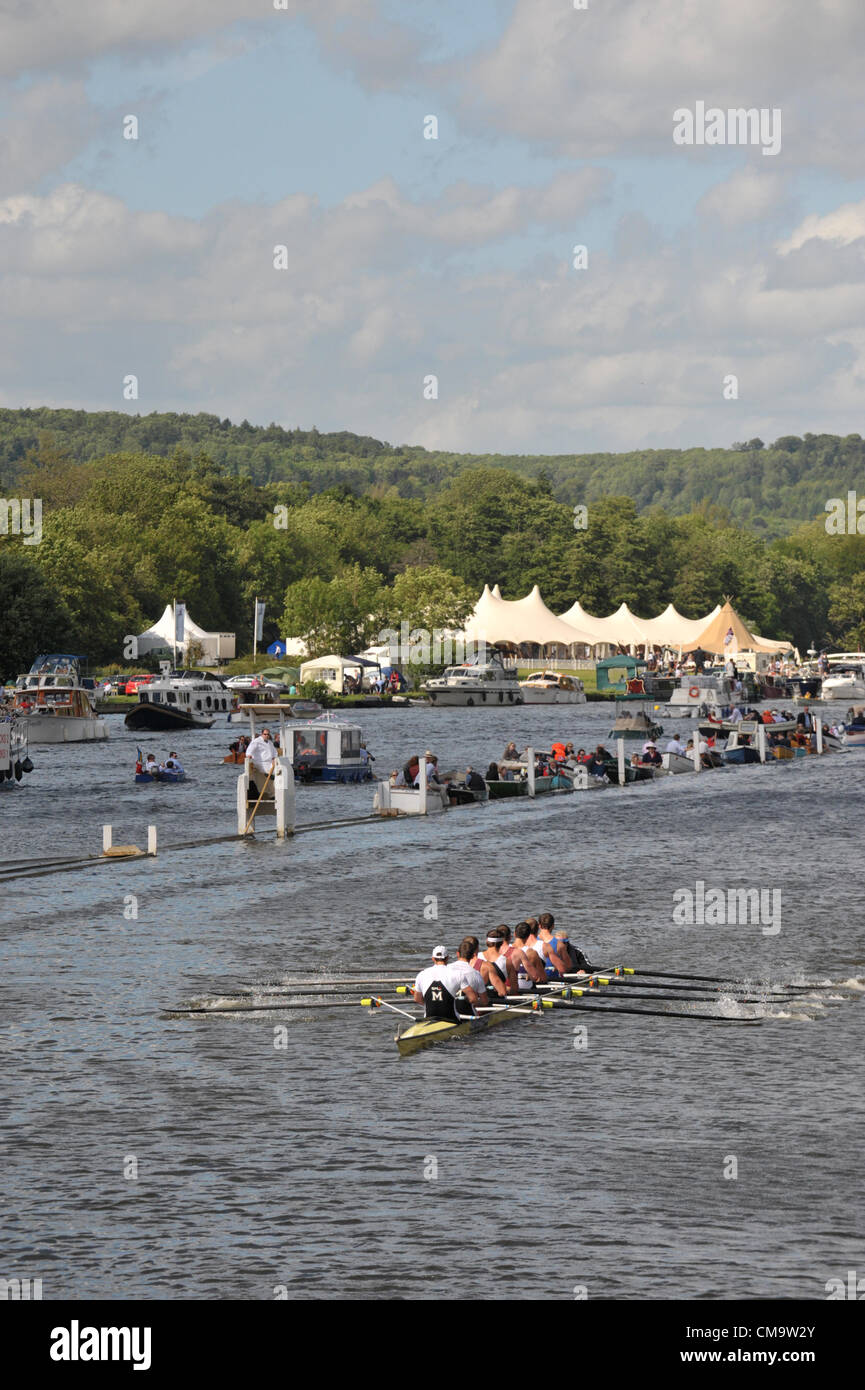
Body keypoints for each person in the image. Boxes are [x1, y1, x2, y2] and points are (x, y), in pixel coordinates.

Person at [411, 945, 484, 1021]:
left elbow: (417, 999)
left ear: (433, 958)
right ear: (447, 958)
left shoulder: (421, 974)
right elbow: (473, 998)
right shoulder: (458, 974)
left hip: (429, 1019)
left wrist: (433, 1005)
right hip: (451, 1020)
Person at [510, 922, 548, 992]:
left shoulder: (506, 950)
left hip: (509, 987)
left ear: (514, 934)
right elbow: (543, 978)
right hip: (525, 989)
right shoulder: (532, 953)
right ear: (528, 936)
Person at [532, 914, 572, 980]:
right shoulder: (559, 944)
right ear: (553, 926)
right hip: (553, 980)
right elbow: (568, 966)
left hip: (535, 980)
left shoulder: (532, 941)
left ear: (539, 926)